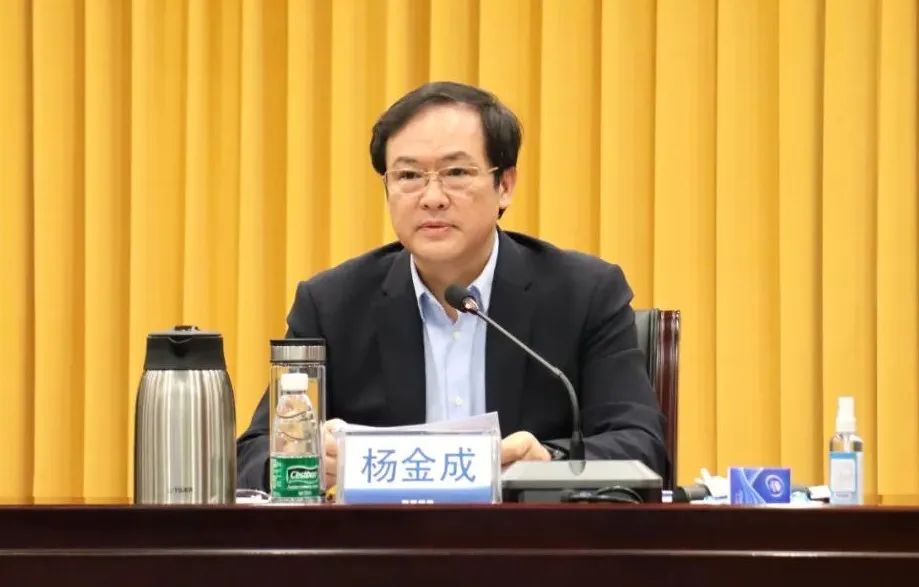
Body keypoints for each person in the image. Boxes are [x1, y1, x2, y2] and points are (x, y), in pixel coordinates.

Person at [237, 81, 667, 491]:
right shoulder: (332, 306)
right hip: (384, 542)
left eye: (456, 172)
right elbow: (252, 457)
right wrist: (308, 460)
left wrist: (548, 465)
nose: (432, 197)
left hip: (530, 540)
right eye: (408, 176)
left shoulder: (584, 295)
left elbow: (641, 446)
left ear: (505, 186)